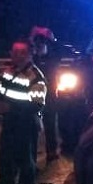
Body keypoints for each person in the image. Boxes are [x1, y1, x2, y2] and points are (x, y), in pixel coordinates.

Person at [0, 37, 46, 184]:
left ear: (30, 54)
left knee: (25, 163)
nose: (17, 56)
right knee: (5, 161)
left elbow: (37, 105)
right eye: (14, 52)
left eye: (22, 52)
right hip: (9, 123)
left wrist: (10, 108)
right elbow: (2, 92)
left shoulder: (36, 77)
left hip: (25, 125)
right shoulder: (9, 71)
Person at [30, 26, 60, 161]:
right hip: (34, 96)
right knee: (33, 124)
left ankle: (52, 151)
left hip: (50, 95)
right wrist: (33, 35)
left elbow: (57, 47)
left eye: (43, 42)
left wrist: (49, 35)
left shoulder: (52, 57)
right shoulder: (32, 59)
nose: (40, 45)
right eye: (38, 43)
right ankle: (32, 152)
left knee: (50, 123)